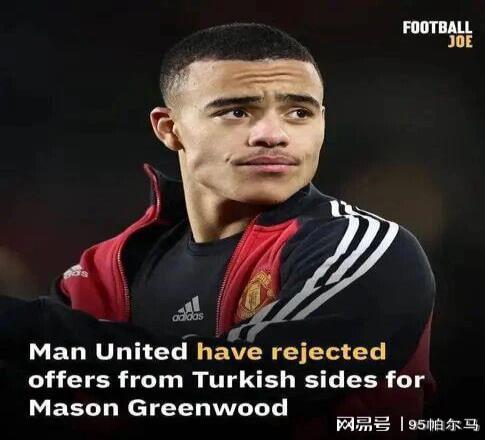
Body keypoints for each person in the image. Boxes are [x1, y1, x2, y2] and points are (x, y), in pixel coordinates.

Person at [0, 23, 435, 438]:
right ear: (170, 129)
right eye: (236, 111)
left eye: (299, 112)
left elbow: (249, 386)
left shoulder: (365, 248)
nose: (273, 135)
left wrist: (27, 326)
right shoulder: (104, 271)